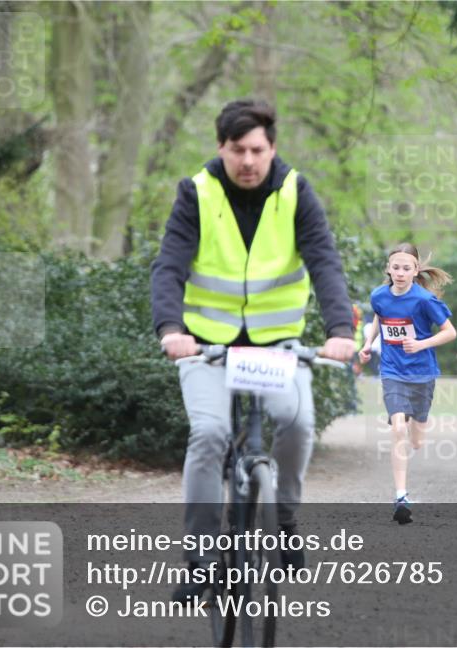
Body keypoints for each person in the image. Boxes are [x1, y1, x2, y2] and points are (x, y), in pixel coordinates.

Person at [150, 99, 356, 603]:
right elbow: (170, 266)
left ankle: (283, 519)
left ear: (272, 149)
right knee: (210, 433)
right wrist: (171, 328)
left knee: (298, 421)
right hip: (207, 347)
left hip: (276, 345)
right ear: (221, 148)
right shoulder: (195, 193)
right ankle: (200, 558)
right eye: (237, 150)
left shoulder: (294, 192)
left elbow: (324, 261)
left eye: (257, 150)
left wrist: (339, 329)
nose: (247, 160)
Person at [359, 242, 456, 524]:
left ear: (415, 270)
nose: (400, 272)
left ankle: (418, 426)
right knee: (398, 429)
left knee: (416, 440)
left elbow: (450, 332)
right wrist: (368, 344)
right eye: (395, 267)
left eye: (406, 268)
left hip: (422, 372)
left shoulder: (424, 299)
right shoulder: (379, 295)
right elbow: (380, 317)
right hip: (392, 371)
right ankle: (401, 495)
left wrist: (421, 343)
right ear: (388, 269)